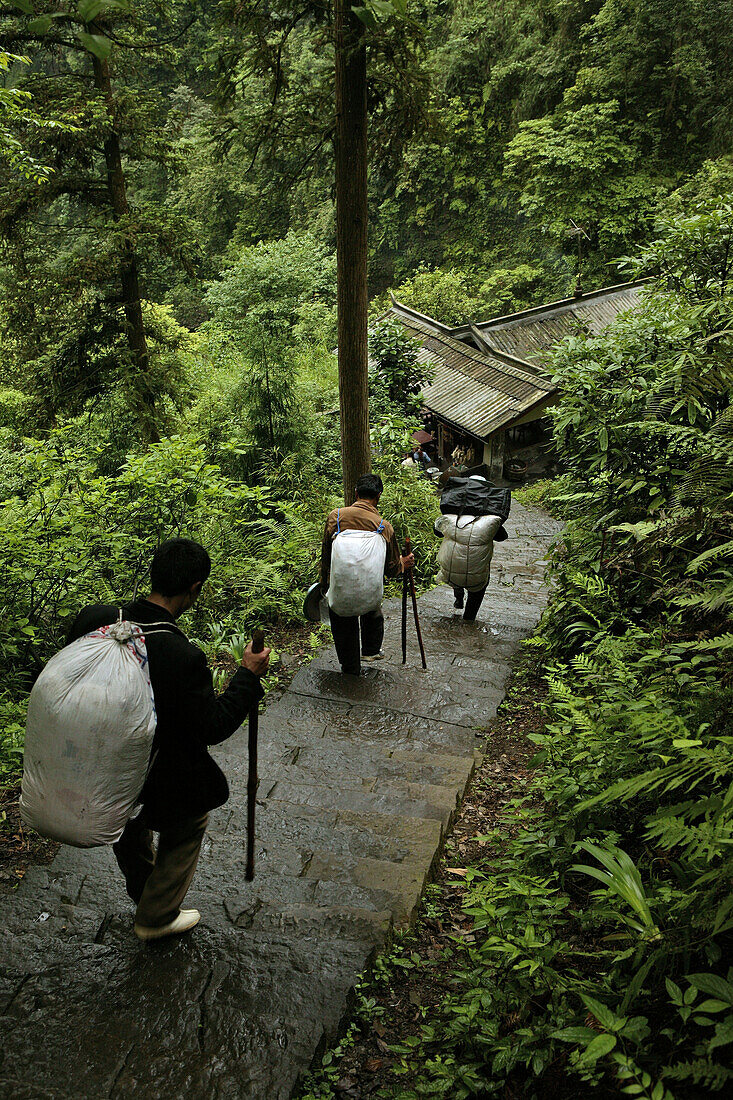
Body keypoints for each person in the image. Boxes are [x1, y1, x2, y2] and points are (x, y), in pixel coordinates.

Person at [66, 538, 270, 941]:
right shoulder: (180, 654)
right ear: (195, 588)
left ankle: (143, 887)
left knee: (126, 818)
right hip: (154, 772)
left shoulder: (95, 620)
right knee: (191, 817)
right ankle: (156, 915)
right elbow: (213, 726)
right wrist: (247, 674)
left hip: (97, 761)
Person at [321, 473, 414, 674]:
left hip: (340, 590)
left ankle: (350, 665)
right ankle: (371, 649)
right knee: (371, 602)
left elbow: (326, 557)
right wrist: (404, 563)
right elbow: (391, 569)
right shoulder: (384, 527)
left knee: (342, 614)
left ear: (356, 493)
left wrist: (323, 584)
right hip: (369, 595)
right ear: (378, 496)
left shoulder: (335, 517)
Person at [434, 476, 505, 621]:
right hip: (476, 577)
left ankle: (458, 596)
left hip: (451, 573)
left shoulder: (451, 515)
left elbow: (436, 531)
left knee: (456, 567)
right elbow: (502, 537)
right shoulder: (490, 520)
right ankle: (469, 618)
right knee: (479, 581)